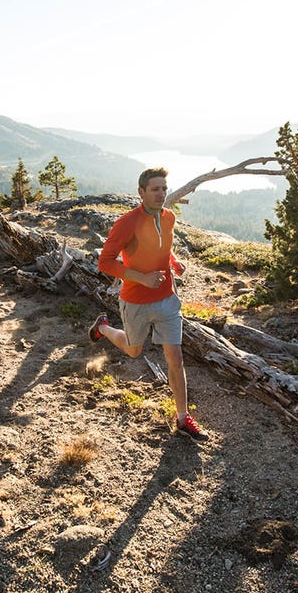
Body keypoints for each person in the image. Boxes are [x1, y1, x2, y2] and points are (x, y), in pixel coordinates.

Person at [88, 167, 208, 442]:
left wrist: (174, 262)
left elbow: (163, 246)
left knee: (175, 359)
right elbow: (104, 262)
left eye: (164, 188)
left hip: (167, 299)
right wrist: (142, 278)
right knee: (133, 351)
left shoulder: (169, 217)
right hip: (136, 301)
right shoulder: (126, 223)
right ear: (141, 192)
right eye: (155, 189)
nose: (161, 194)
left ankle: (182, 419)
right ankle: (104, 328)